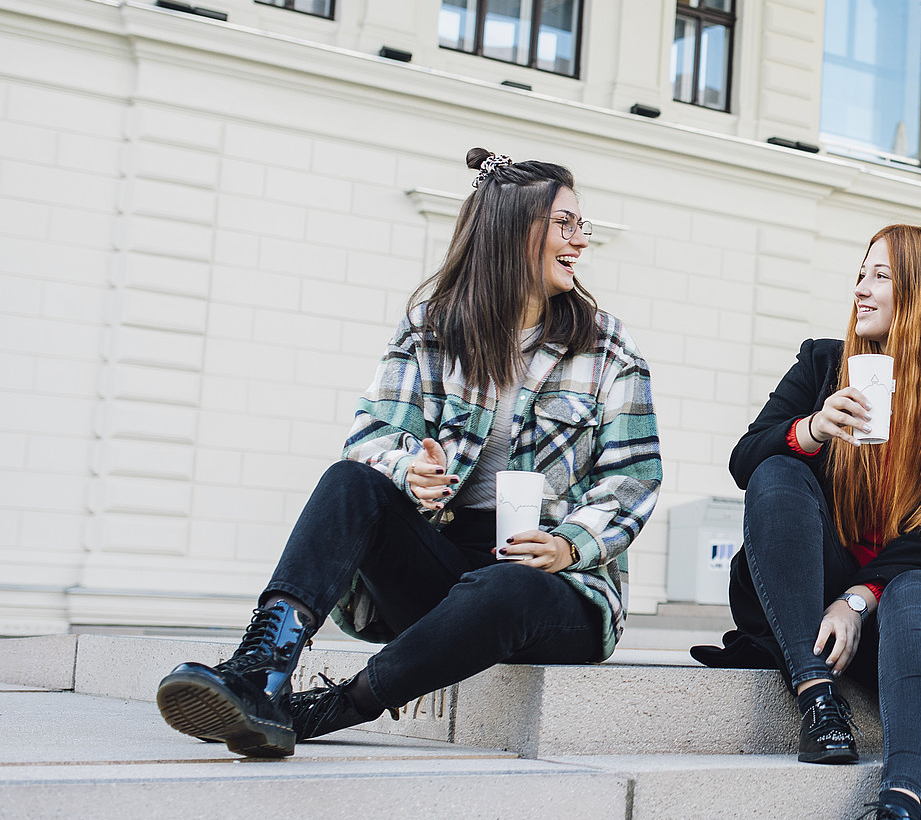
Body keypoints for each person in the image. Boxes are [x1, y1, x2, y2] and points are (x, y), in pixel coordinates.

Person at [155, 149, 662, 757]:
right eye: (566, 224)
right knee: (350, 481)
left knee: (504, 588)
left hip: (555, 586)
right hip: (441, 559)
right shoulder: (432, 328)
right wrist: (408, 469)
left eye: (581, 226)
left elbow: (633, 475)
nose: (580, 241)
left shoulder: (606, 345)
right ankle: (260, 671)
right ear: (514, 229)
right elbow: (369, 438)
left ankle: (324, 711)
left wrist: (567, 544)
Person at [691, 224, 921, 820]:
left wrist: (860, 596)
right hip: (815, 620)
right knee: (779, 469)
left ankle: (898, 816)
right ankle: (817, 699)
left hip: (915, 606)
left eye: (881, 276)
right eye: (861, 272)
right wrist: (810, 429)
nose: (860, 287)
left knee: (918, 589)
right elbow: (745, 464)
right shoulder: (820, 365)